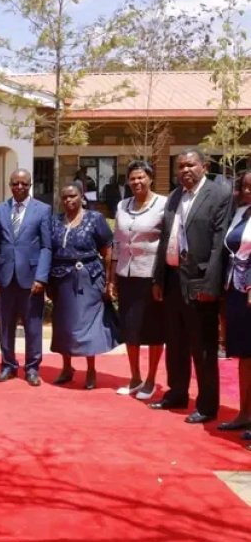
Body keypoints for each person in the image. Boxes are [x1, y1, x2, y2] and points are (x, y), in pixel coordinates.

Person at [151, 149, 233, 423]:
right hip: (174, 280)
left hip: (199, 282)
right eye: (181, 166)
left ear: (204, 166)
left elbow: (218, 245)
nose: (185, 170)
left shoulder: (218, 196)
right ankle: (177, 392)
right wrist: (158, 278)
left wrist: (210, 285)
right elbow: (165, 239)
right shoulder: (175, 196)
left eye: (191, 165)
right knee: (175, 342)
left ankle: (208, 405)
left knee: (203, 347)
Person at [49, 183, 120, 389]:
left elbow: (108, 250)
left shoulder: (94, 219)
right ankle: (67, 367)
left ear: (81, 197)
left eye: (72, 196)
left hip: (88, 277)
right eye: (64, 197)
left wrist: (109, 281)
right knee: (64, 325)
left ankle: (90, 370)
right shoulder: (55, 221)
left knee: (87, 325)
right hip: (61, 278)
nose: (68, 200)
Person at [109, 161, 166, 399]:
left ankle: (151, 379)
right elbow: (116, 242)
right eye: (132, 178)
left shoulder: (163, 204)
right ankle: (134, 377)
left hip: (151, 276)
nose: (137, 182)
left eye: (141, 177)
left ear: (150, 178)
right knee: (130, 328)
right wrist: (111, 278)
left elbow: (167, 243)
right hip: (126, 274)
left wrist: (161, 279)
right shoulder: (123, 205)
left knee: (153, 329)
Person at [0, 169, 52, 387]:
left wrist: (42, 277)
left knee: (33, 326)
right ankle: (8, 365)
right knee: (5, 325)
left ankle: (32, 368)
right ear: (9, 185)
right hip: (6, 277)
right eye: (15, 183)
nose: (19, 187)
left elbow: (46, 246)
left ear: (30, 185)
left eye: (24, 184)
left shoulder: (43, 210)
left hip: (31, 279)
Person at [218, 172, 251, 433]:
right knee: (244, 355)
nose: (247, 190)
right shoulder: (240, 213)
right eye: (243, 186)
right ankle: (244, 413)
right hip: (235, 291)